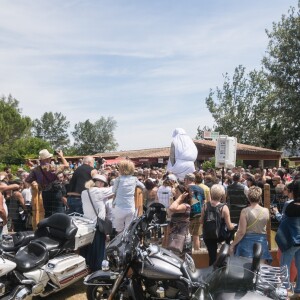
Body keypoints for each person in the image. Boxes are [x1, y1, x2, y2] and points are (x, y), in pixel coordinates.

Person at [229, 186, 272, 263]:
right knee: (260, 270)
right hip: (262, 242)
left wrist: (233, 245)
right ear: (259, 198)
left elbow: (242, 232)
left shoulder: (245, 211)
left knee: (247, 271)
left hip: (247, 244)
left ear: (248, 198)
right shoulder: (266, 211)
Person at [81, 174, 113, 271]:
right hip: (97, 225)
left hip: (87, 224)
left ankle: (89, 266)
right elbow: (115, 188)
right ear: (100, 183)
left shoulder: (84, 192)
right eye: (103, 184)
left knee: (89, 248)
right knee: (99, 249)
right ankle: (98, 269)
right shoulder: (99, 191)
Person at [26, 149, 69, 218]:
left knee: (48, 214)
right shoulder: (51, 167)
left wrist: (39, 183)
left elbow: (28, 180)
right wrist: (61, 156)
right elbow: (66, 165)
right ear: (48, 158)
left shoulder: (36, 169)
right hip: (55, 192)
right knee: (59, 213)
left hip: (45, 193)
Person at [276, 178, 300, 298]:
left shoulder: (289, 205)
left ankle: (285, 290)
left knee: (284, 265)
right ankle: (298, 290)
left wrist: (275, 213)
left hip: (291, 240)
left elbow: (283, 220)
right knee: (299, 264)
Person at [200, 184, 235, 265]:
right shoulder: (224, 207)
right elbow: (229, 227)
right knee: (230, 233)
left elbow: (201, 221)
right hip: (220, 236)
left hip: (208, 235)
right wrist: (234, 226)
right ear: (222, 195)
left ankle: (211, 272)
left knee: (212, 257)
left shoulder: (205, 206)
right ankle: (226, 253)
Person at [112, 160, 145, 233]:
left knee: (119, 230)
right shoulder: (134, 179)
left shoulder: (118, 179)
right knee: (128, 230)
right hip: (130, 207)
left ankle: (119, 243)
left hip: (119, 207)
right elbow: (143, 186)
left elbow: (113, 191)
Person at [168, 184, 192, 258]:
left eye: (177, 192)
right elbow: (169, 212)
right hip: (176, 237)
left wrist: (180, 198)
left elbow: (172, 208)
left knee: (182, 261)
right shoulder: (178, 204)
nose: (175, 193)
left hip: (182, 238)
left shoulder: (186, 205)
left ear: (183, 194)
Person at [184, 173, 205, 251]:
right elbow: (204, 202)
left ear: (188, 180)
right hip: (199, 213)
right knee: (196, 235)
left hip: (188, 214)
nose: (184, 181)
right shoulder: (201, 189)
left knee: (187, 235)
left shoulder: (186, 189)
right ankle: (197, 254)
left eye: (185, 179)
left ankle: (187, 253)